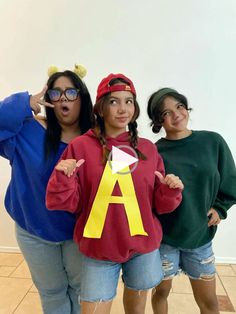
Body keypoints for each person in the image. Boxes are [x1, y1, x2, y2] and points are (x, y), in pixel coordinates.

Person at [46, 73, 184, 314]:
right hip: (100, 249)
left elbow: (160, 206)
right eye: (114, 101)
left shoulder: (147, 149)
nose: (123, 109)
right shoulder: (79, 147)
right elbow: (68, 204)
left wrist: (169, 190)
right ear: (100, 108)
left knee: (136, 308)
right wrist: (63, 179)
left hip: (142, 247)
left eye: (129, 101)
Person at [0, 65, 93, 314]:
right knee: (52, 293)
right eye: (56, 92)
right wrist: (24, 102)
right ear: (48, 98)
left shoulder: (96, 140)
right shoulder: (26, 131)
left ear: (82, 99)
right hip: (34, 231)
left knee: (79, 289)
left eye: (71, 92)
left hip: (78, 234)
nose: (63, 98)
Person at [147, 87, 236, 314]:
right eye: (166, 112)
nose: (177, 114)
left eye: (179, 106)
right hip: (165, 239)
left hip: (200, 238)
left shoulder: (212, 142)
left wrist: (220, 207)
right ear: (158, 120)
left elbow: (230, 180)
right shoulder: (155, 152)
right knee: (161, 293)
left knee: (209, 303)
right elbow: (149, 196)